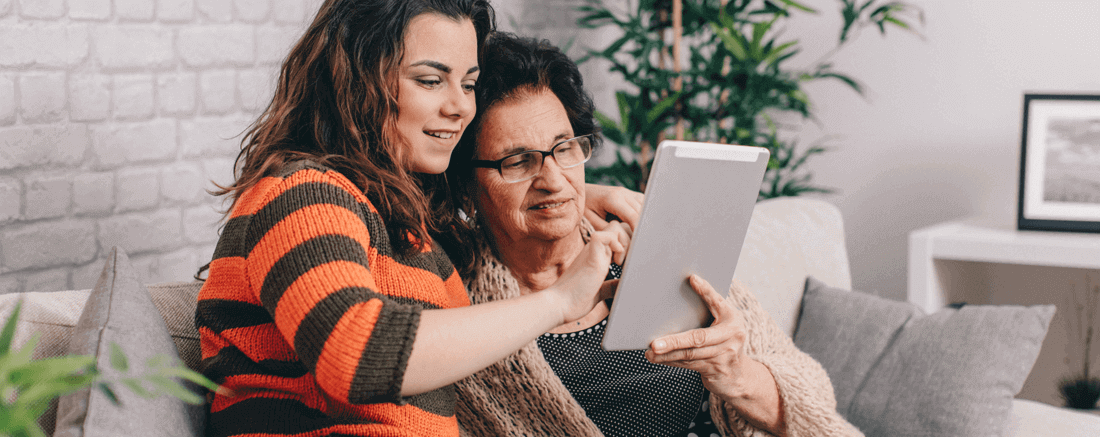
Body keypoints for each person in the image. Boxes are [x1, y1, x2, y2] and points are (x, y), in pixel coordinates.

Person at [194, 2, 641, 436]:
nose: (461, 107)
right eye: (430, 80)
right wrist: (560, 300)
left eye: (468, 84)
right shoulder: (299, 192)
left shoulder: (396, 217)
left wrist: (572, 193)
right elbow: (356, 354)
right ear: (356, 79)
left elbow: (481, 195)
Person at [446, 32, 864, 437]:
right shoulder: (459, 312)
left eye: (565, 148)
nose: (554, 180)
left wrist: (736, 375)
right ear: (466, 184)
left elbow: (813, 402)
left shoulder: (654, 246)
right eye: (518, 161)